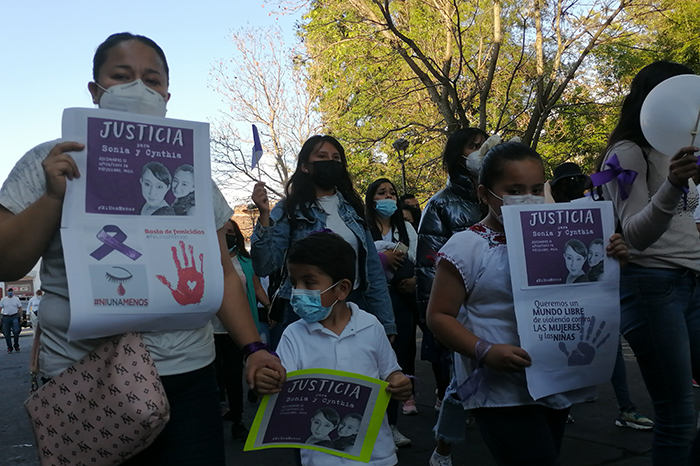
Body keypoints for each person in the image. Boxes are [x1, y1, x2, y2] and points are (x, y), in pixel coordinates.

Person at [0, 32, 285, 465]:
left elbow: (222, 272)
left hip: (187, 374)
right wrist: (54, 197)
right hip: (85, 376)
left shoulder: (192, 174)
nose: (138, 88)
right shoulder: (50, 161)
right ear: (95, 90)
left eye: (151, 80)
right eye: (121, 76)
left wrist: (253, 348)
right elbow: (7, 263)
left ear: (167, 95)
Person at [427, 141, 628, 466]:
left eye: (536, 189)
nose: (528, 198)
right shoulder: (466, 246)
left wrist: (613, 261)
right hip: (500, 390)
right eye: (515, 190)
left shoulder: (562, 239)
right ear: (484, 194)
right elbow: (439, 316)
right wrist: (485, 351)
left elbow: (582, 293)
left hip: (554, 381)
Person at [593, 60, 700, 464]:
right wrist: (672, 184)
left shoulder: (682, 149)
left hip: (692, 282)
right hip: (652, 287)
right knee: (677, 413)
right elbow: (635, 234)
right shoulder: (627, 153)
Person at [255, 232, 412, 466]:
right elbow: (280, 389)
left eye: (309, 282)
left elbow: (391, 372)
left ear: (342, 289)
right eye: (294, 283)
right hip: (319, 459)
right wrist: (266, 382)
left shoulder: (370, 326)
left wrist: (400, 383)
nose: (298, 291)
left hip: (376, 455)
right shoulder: (293, 335)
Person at [250, 135, 396, 337]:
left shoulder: (353, 208)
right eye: (322, 156)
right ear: (305, 166)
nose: (330, 162)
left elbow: (373, 271)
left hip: (352, 307)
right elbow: (264, 266)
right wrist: (264, 217)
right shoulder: (289, 209)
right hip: (302, 312)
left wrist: (386, 323)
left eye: (336, 158)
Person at [549, 162, 654, 430]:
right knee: (563, 345)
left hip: (593, 293)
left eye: (577, 180)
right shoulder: (549, 210)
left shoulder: (596, 211)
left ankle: (626, 407)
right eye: (567, 182)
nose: (573, 186)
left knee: (610, 344)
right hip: (562, 297)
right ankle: (563, 404)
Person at [415, 127, 487, 466]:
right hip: (462, 311)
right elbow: (429, 267)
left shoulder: (499, 196)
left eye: (485, 145)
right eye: (473, 147)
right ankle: (443, 450)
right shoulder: (439, 205)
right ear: (457, 156)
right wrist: (438, 322)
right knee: (460, 385)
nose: (481, 152)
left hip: (497, 305)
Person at [365, 178, 418, 447]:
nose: (388, 197)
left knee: (395, 362)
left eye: (392, 193)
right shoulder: (363, 228)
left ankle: (392, 424)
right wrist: (381, 259)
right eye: (381, 192)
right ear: (371, 199)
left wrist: (415, 281)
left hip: (402, 302)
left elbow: (420, 260)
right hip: (371, 303)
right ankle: (368, 425)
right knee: (369, 363)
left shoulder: (406, 229)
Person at [1, 288, 22, 353]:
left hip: (14, 316)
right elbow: (0, 308)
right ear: (7, 292)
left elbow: (20, 308)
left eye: (11, 291)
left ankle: (16, 345)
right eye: (9, 291)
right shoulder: (4, 299)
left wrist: (21, 316)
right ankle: (9, 347)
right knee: (7, 333)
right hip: (6, 317)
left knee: (16, 331)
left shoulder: (16, 299)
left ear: (13, 292)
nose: (10, 293)